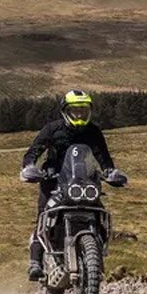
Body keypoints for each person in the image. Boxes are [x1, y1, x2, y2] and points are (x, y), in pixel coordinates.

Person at [20, 89, 128, 281]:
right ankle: (35, 262)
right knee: (44, 216)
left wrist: (111, 172)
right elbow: (33, 151)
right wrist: (29, 167)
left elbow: (103, 156)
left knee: (100, 215)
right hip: (53, 180)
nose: (79, 115)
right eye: (75, 111)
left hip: (84, 181)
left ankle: (95, 258)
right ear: (65, 111)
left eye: (83, 111)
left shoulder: (93, 131)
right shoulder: (52, 129)